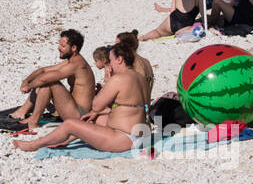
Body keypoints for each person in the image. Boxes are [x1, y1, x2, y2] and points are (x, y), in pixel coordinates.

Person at [14, 43, 148, 153]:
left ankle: (35, 144)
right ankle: (65, 139)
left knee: (70, 124)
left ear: (119, 60)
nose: (110, 65)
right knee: (92, 118)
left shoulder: (118, 79)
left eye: (111, 61)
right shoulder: (140, 78)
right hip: (140, 135)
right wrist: (101, 112)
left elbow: (96, 105)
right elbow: (134, 106)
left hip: (123, 138)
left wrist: (108, 80)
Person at [8, 29, 97, 131]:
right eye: (59, 44)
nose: (58, 48)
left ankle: (33, 121)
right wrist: (26, 81)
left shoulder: (76, 65)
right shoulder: (72, 60)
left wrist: (29, 86)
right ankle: (22, 112)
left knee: (49, 83)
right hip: (73, 107)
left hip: (80, 115)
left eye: (63, 46)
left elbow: (44, 78)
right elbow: (43, 70)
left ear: (73, 48)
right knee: (44, 83)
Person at [115, 30, 154, 106]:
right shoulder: (145, 61)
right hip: (144, 106)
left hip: (136, 108)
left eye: (117, 45)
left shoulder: (134, 63)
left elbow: (137, 89)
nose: (115, 48)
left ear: (126, 46)